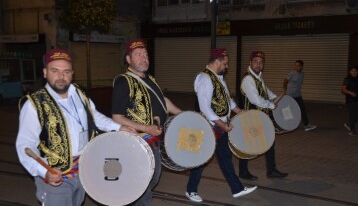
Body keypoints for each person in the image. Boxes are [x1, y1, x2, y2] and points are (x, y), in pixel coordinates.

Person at [15, 49, 134, 206]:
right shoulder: (34, 104)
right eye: (55, 71)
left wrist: (119, 127)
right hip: (55, 177)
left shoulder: (79, 94)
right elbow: (25, 145)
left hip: (82, 170)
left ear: (72, 74)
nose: (61, 76)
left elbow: (95, 117)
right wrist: (45, 172)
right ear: (45, 73)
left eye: (66, 71)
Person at [111, 39, 182, 206]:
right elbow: (117, 117)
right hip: (137, 142)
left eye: (145, 55)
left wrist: (182, 114)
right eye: (138, 55)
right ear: (128, 59)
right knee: (143, 182)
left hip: (153, 139)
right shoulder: (124, 82)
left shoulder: (150, 79)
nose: (144, 58)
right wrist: (145, 128)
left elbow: (162, 100)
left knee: (153, 177)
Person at [185, 48, 257, 203]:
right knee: (202, 159)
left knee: (225, 158)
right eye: (225, 63)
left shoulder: (218, 78)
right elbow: (205, 107)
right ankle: (191, 190)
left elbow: (227, 100)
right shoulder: (204, 78)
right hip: (209, 126)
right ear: (217, 62)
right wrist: (222, 125)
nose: (227, 66)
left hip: (220, 125)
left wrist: (239, 111)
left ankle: (237, 188)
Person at [239, 51, 288, 181]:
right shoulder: (248, 78)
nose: (258, 64)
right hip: (250, 117)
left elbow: (265, 91)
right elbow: (255, 99)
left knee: (269, 141)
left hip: (259, 117)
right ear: (250, 63)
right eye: (255, 61)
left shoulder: (258, 77)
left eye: (261, 62)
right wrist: (271, 105)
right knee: (248, 144)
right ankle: (243, 171)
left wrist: (276, 97)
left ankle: (271, 170)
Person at [283, 60, 317, 131]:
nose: (296, 67)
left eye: (298, 65)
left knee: (302, 110)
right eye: (295, 65)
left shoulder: (302, 74)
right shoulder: (291, 74)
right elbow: (285, 82)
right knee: (288, 111)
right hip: (290, 96)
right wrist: (285, 91)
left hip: (298, 95)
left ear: (301, 66)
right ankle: (287, 125)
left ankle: (307, 125)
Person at [341, 66, 358, 136]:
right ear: (350, 72)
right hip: (351, 100)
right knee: (352, 115)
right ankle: (352, 130)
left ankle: (349, 124)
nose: (353, 72)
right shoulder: (347, 79)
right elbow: (343, 89)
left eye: (355, 71)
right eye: (352, 71)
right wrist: (351, 93)